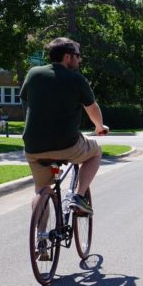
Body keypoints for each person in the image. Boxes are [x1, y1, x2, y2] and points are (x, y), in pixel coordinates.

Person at [20, 37, 109, 230]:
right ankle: (78, 196)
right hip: (67, 146)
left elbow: (26, 98)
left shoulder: (33, 74)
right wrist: (100, 127)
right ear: (67, 57)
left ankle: (41, 239)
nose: (80, 60)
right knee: (95, 152)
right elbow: (92, 108)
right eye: (77, 56)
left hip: (34, 148)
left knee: (41, 190)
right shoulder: (76, 79)